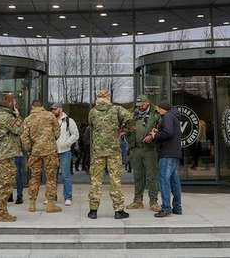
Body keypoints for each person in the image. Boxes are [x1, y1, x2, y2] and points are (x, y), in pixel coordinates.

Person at [87, 89, 133, 220]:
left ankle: (93, 211)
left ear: (98, 98)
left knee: (96, 181)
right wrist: (123, 130)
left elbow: (91, 126)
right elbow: (130, 118)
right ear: (108, 97)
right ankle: (118, 211)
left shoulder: (92, 112)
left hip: (97, 152)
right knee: (115, 181)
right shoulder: (117, 109)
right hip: (113, 151)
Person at [0, 93, 23, 222]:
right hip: (5, 154)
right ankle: (1, 212)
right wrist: (18, 115)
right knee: (7, 183)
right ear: (10, 103)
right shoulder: (6, 116)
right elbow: (19, 129)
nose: (16, 104)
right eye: (15, 102)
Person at [21, 100, 62, 213]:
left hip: (35, 152)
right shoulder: (50, 116)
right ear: (42, 106)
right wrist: (51, 141)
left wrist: (30, 148)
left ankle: (32, 204)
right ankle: (50, 204)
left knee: (34, 177)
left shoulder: (28, 119)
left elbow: (24, 138)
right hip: (50, 151)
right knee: (51, 178)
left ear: (32, 106)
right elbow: (57, 132)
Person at [146, 100, 182, 218]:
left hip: (167, 154)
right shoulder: (173, 116)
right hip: (174, 153)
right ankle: (177, 207)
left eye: (158, 108)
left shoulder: (167, 117)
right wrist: (159, 131)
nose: (157, 110)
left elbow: (168, 133)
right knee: (174, 181)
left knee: (163, 180)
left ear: (162, 108)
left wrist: (155, 135)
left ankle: (166, 208)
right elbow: (169, 132)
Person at [126, 94, 160, 212]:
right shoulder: (132, 114)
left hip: (149, 149)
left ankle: (153, 202)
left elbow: (161, 126)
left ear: (147, 103)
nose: (140, 107)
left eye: (142, 105)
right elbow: (125, 127)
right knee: (138, 176)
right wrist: (126, 131)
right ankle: (138, 201)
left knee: (151, 177)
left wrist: (152, 135)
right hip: (135, 149)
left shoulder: (155, 113)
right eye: (138, 105)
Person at [52, 103, 79, 206]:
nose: (53, 111)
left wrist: (66, 143)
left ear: (60, 109)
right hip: (53, 152)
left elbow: (76, 135)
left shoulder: (69, 121)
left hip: (65, 151)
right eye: (52, 109)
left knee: (65, 175)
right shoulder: (51, 120)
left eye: (55, 109)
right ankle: (51, 197)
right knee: (52, 176)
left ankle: (68, 197)